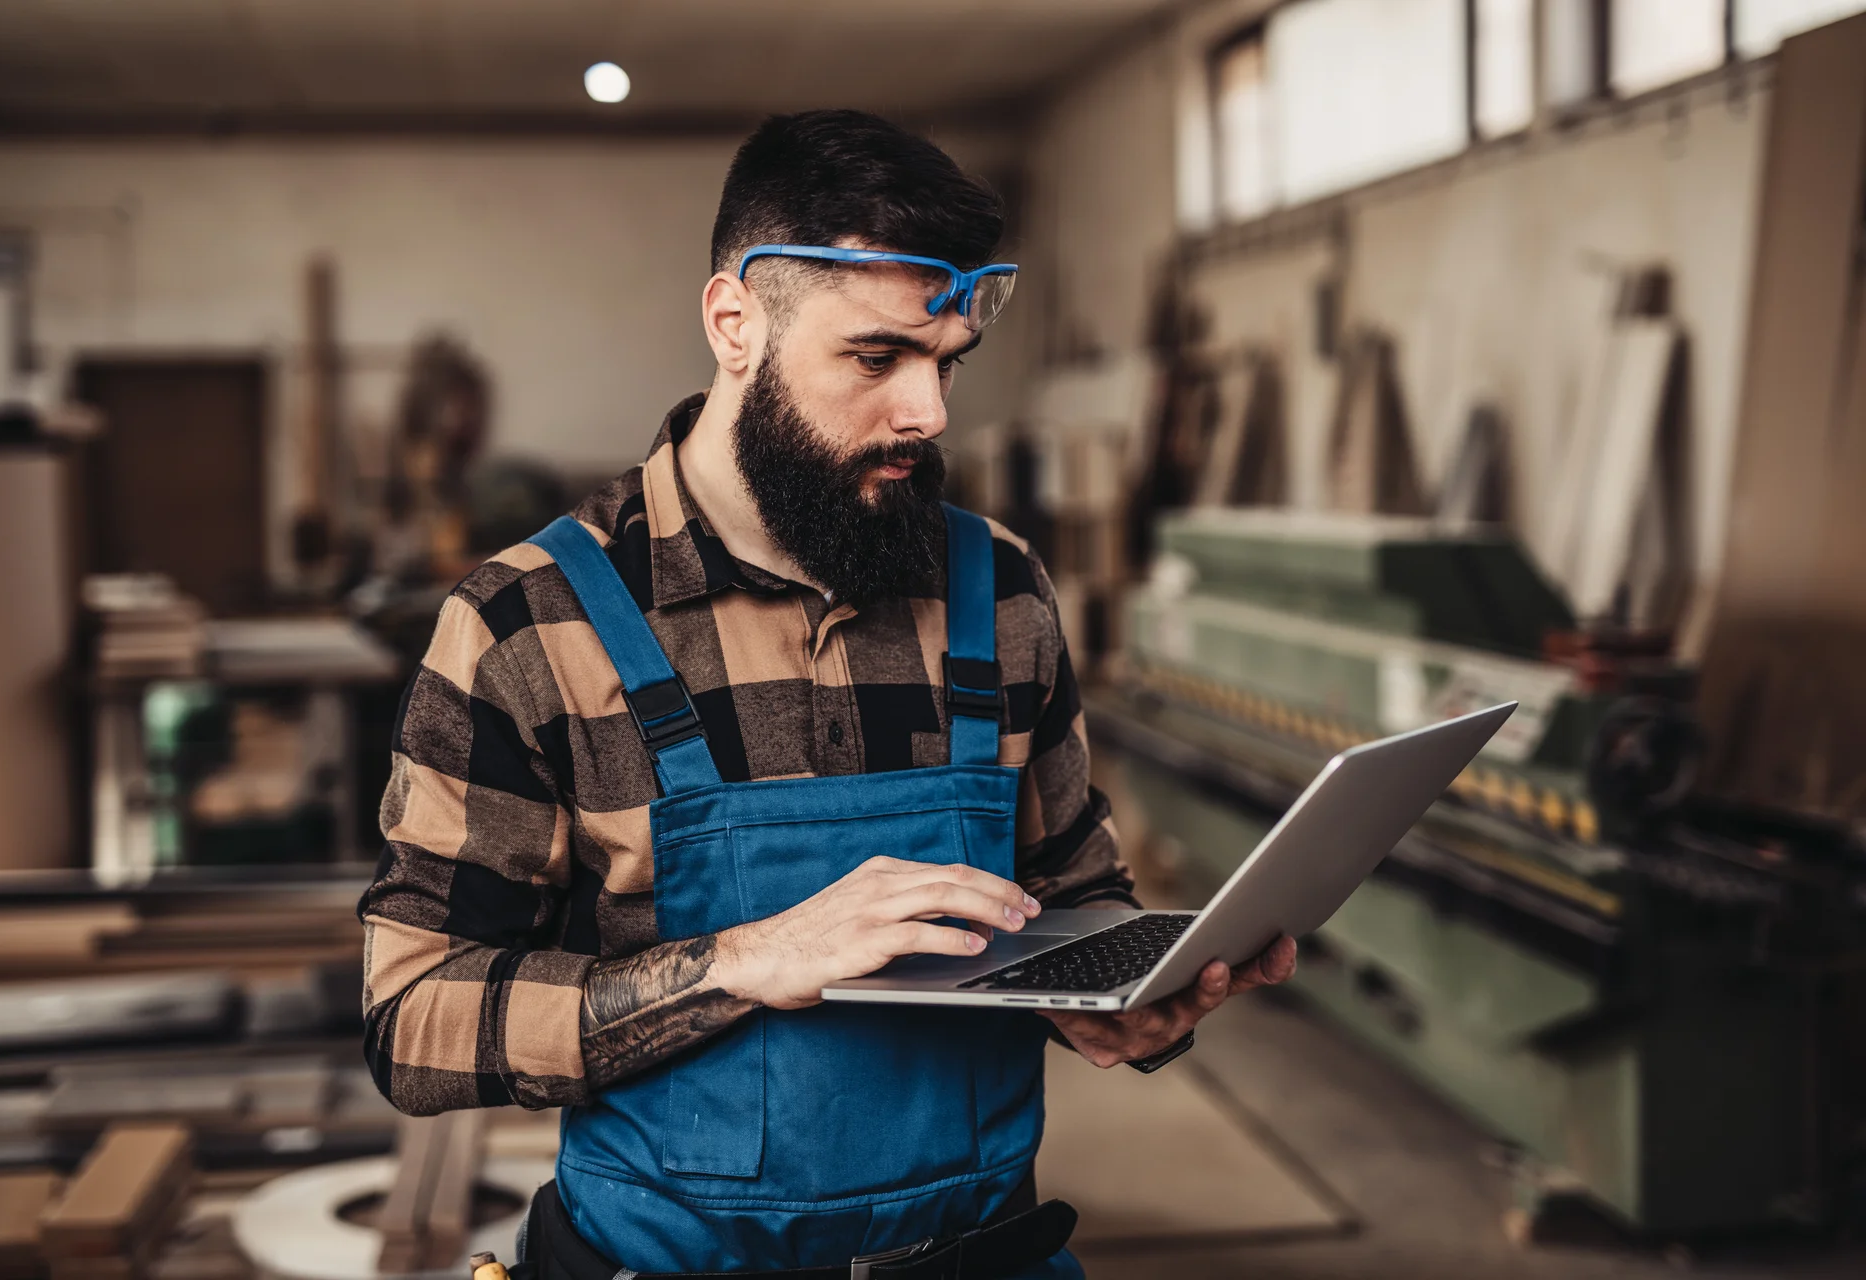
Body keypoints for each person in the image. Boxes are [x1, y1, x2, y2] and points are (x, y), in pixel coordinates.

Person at [358, 108, 1296, 1280]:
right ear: (734, 321)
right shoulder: (528, 624)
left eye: (945, 361)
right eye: (876, 357)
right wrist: (744, 959)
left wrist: (1124, 990)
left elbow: (1072, 890)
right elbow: (415, 1019)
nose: (930, 413)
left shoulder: (996, 589)